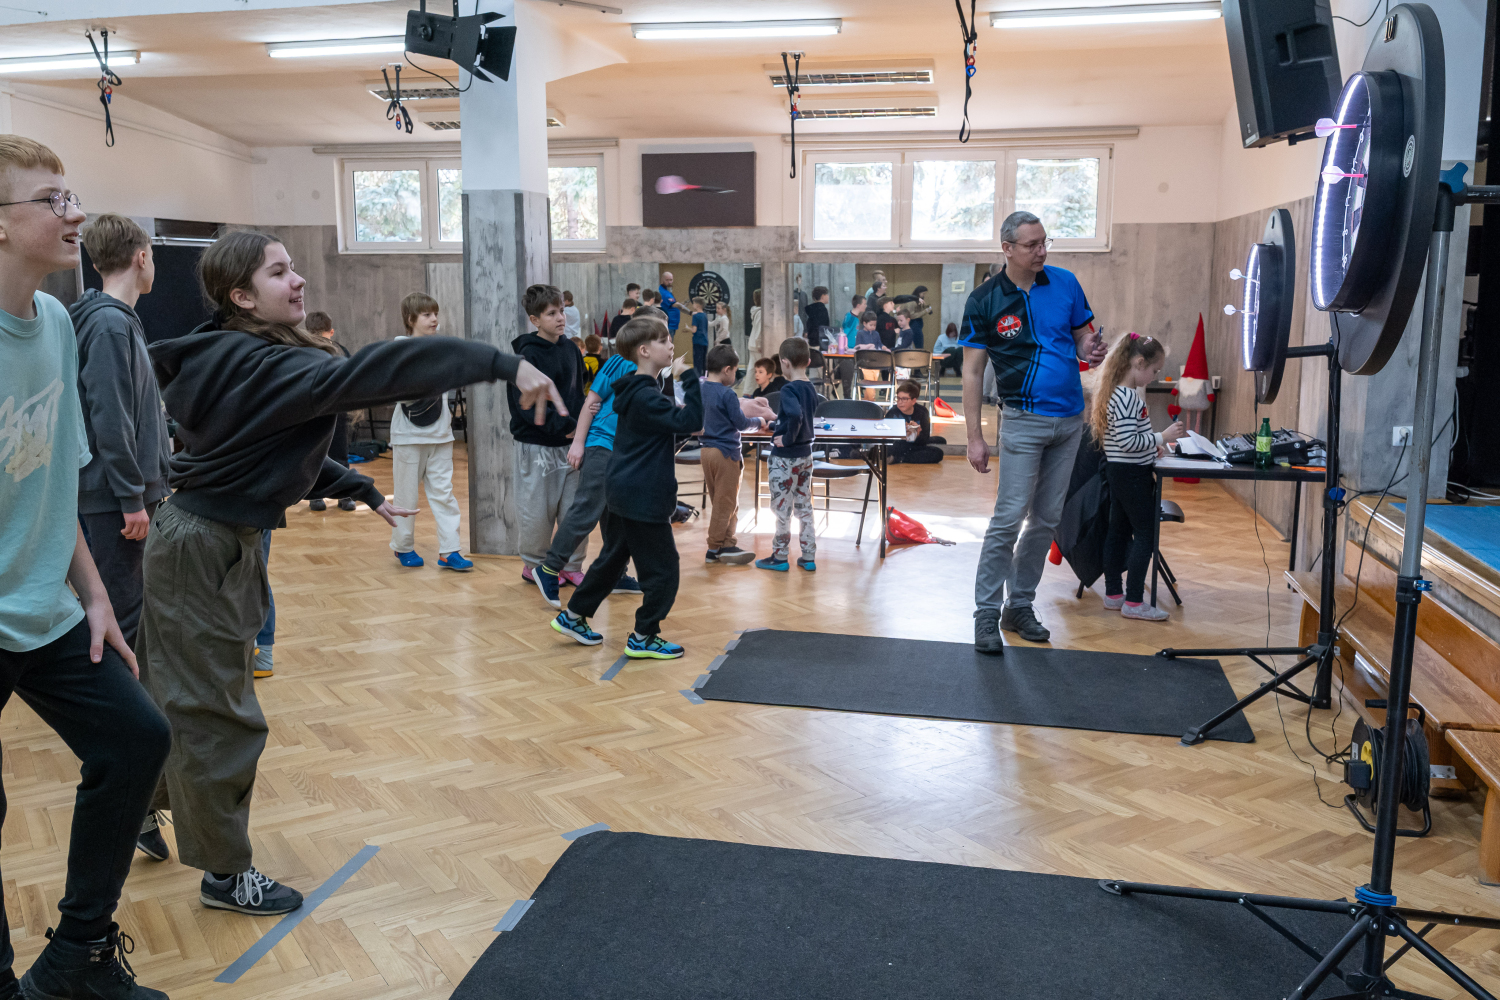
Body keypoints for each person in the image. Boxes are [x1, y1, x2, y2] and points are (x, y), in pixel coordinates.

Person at [137, 228, 564, 917]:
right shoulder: (266, 364)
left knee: (177, 695)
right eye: (279, 272)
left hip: (203, 540)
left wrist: (362, 490)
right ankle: (223, 874)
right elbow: (379, 371)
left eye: (293, 266)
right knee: (221, 718)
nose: (299, 279)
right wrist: (498, 363)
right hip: (205, 547)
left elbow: (258, 450)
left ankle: (138, 808)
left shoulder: (225, 351)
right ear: (241, 296)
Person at [0, 133, 174, 1000]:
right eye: (51, 200)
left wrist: (95, 596)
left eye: (71, 195)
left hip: (48, 609)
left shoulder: (58, 324)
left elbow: (53, 478)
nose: (74, 214)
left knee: (136, 740)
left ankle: (78, 959)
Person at [961, 211, 1106, 653]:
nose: (1041, 251)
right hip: (1022, 421)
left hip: (1070, 421)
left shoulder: (1065, 283)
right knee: (1008, 519)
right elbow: (972, 372)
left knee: (1046, 520)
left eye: (1045, 242)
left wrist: (1090, 347)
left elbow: (1081, 338)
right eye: (1031, 245)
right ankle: (986, 613)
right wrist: (974, 436)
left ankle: (1019, 605)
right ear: (1007, 249)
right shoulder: (985, 300)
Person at [550, 316, 701, 660]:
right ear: (644, 351)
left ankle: (574, 616)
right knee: (664, 570)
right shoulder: (646, 396)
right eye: (664, 341)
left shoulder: (636, 391)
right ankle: (644, 636)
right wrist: (688, 376)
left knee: (614, 557)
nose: (671, 346)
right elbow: (693, 421)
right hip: (641, 496)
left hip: (625, 490)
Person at [71, 213, 171, 652]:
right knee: (121, 613)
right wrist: (132, 497)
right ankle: (123, 695)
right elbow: (110, 420)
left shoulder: (114, 320)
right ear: (142, 257)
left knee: (128, 607)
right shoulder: (109, 325)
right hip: (116, 500)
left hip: (121, 496)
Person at [530, 316, 647, 609]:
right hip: (602, 446)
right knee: (586, 511)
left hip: (622, 453)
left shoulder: (652, 373)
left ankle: (616, 574)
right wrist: (579, 443)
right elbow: (590, 403)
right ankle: (548, 569)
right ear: (644, 344)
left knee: (616, 517)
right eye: (664, 338)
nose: (670, 344)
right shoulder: (619, 362)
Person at [1092, 333, 1183, 622]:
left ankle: (1113, 594)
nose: (1154, 377)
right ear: (1139, 363)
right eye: (1154, 370)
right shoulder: (1129, 397)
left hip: (1120, 472)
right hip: (1133, 476)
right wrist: (1162, 436)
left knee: (1118, 531)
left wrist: (1150, 446)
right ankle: (1133, 601)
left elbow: (1124, 440)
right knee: (1145, 533)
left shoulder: (1116, 393)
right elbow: (1129, 441)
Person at [511, 284, 590, 585]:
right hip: (537, 446)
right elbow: (526, 408)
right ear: (535, 319)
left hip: (571, 445)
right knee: (537, 511)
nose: (560, 318)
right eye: (551, 313)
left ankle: (571, 564)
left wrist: (580, 428)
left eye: (562, 311)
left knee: (574, 510)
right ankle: (534, 566)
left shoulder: (571, 349)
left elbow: (578, 395)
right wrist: (565, 427)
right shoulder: (526, 356)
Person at [390, 291, 471, 572]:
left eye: (435, 313)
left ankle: (450, 550)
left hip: (441, 435)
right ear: (411, 319)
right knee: (406, 497)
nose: (434, 319)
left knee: (444, 494)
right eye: (427, 314)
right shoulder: (399, 350)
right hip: (409, 436)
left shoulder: (442, 348)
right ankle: (403, 546)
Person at [700, 343, 766, 566]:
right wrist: (759, 421)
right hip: (726, 453)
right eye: (736, 370)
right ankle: (713, 549)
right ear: (727, 369)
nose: (736, 375)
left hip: (706, 452)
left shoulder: (700, 389)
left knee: (724, 501)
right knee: (725, 504)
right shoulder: (727, 393)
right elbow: (741, 423)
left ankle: (727, 544)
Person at [756, 337, 818, 573]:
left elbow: (795, 415)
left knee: (782, 509)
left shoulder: (789, 388)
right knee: (804, 506)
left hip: (785, 458)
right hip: (805, 456)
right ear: (808, 362)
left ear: (784, 363)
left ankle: (780, 556)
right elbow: (798, 419)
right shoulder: (810, 388)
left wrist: (787, 438)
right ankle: (808, 556)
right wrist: (776, 426)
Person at [303, 310, 356, 513]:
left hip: (335, 411)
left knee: (336, 453)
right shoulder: (303, 351)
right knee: (316, 453)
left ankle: (343, 494)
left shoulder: (340, 352)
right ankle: (318, 495)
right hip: (315, 412)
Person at [886, 381, 945, 464]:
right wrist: (901, 433)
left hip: (914, 446)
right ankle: (900, 457)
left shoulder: (922, 412)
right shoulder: (892, 413)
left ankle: (900, 458)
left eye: (904, 399)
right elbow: (887, 438)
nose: (900, 402)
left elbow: (924, 440)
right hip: (898, 445)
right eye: (898, 398)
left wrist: (918, 434)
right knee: (890, 448)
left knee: (938, 451)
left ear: (913, 401)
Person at [689, 296, 710, 373]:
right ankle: (705, 376)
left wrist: (688, 328)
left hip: (697, 341)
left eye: (693, 303)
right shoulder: (705, 315)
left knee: (697, 362)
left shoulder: (695, 316)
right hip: (705, 341)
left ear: (697, 305)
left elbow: (694, 330)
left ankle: (697, 377)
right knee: (703, 361)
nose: (692, 305)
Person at [748, 287, 763, 357]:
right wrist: (759, 345)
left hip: (754, 344)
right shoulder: (760, 313)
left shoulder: (756, 311)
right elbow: (759, 329)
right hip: (757, 347)